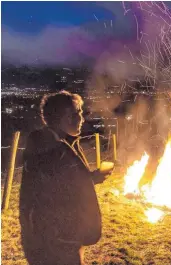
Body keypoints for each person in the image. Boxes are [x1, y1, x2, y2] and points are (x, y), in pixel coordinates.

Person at [19, 91, 113, 265]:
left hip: (69, 235)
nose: (82, 118)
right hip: (55, 240)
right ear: (64, 117)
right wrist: (63, 239)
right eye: (77, 113)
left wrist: (91, 178)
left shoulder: (63, 144)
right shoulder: (47, 149)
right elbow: (47, 196)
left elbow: (65, 184)